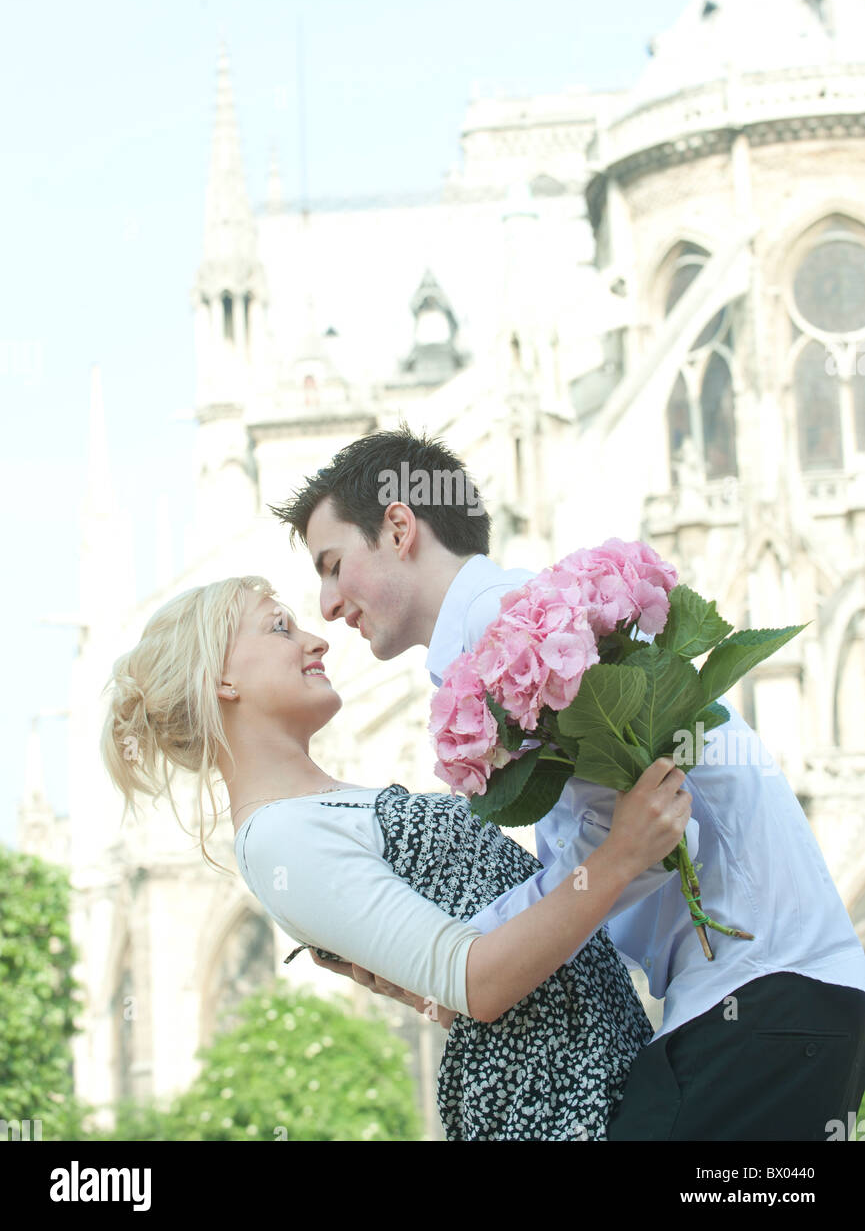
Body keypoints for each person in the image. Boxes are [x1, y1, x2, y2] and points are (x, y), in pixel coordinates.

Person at [275, 425, 865, 1142]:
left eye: (333, 565)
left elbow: (640, 843)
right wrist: (439, 970)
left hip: (758, 998)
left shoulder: (511, 635)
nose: (329, 604)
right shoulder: (516, 622)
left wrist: (445, 956)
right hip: (779, 1002)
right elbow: (608, 853)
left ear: (399, 526)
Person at [100, 574, 691, 1141]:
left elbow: (461, 985)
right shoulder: (280, 836)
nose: (317, 639)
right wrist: (619, 856)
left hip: (588, 1078)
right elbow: (477, 982)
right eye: (279, 628)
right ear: (222, 681)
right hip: (557, 1106)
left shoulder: (315, 809)